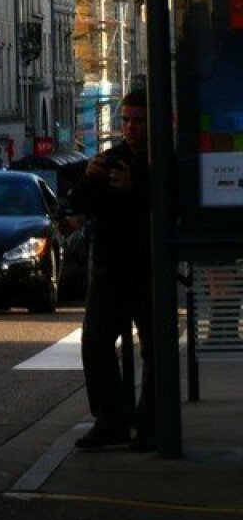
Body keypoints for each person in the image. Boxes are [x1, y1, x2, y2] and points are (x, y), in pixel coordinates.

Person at [68, 89, 154, 451]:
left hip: (148, 269)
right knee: (95, 344)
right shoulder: (112, 159)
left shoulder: (161, 158)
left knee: (156, 347)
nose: (130, 127)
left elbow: (169, 205)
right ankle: (111, 419)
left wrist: (137, 187)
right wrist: (89, 177)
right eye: (126, 120)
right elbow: (81, 205)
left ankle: (150, 422)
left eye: (137, 121)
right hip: (109, 268)